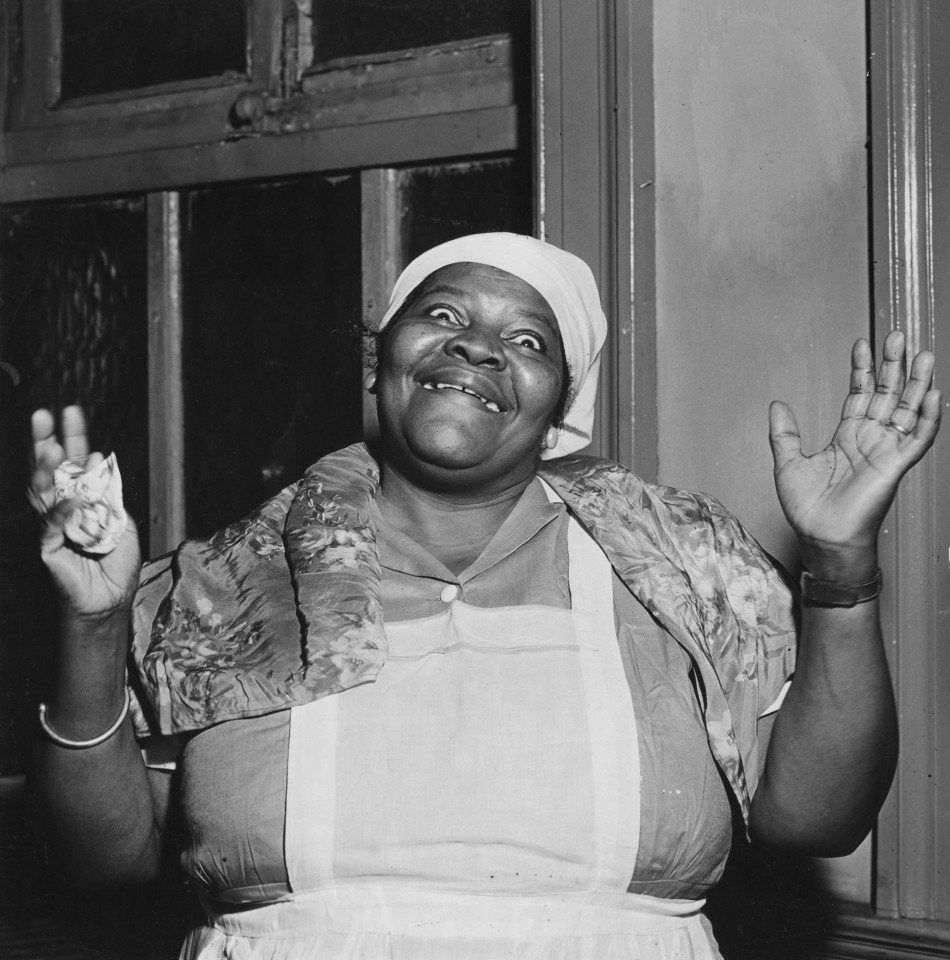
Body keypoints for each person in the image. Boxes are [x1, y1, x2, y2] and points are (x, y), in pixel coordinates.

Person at [28, 233, 941, 960]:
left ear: (560, 410)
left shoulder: (683, 567)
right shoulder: (223, 585)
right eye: (443, 314)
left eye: (529, 340)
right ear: (381, 360)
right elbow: (104, 861)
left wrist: (840, 562)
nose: (477, 344)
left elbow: (819, 819)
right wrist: (94, 623)